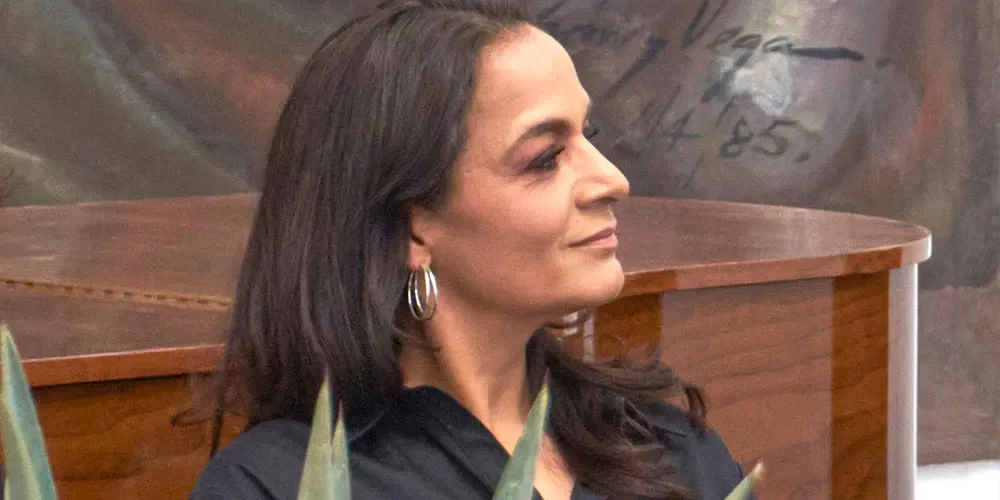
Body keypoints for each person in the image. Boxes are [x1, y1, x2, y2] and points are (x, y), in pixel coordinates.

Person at [190, 1, 749, 499]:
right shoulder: (277, 485)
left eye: (589, 135)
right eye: (545, 158)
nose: (613, 180)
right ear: (412, 230)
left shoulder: (670, 450)